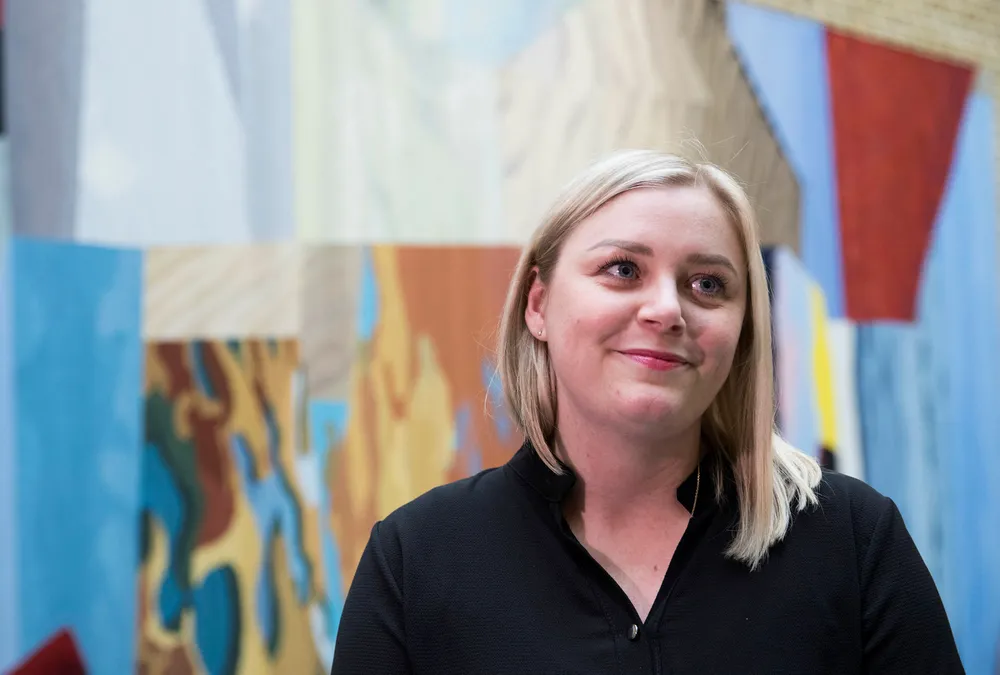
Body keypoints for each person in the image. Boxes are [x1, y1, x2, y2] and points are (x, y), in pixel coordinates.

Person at [330, 150, 964, 673]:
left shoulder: (851, 541)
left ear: (743, 327)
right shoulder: (416, 560)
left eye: (708, 284)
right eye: (623, 269)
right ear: (539, 305)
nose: (667, 310)